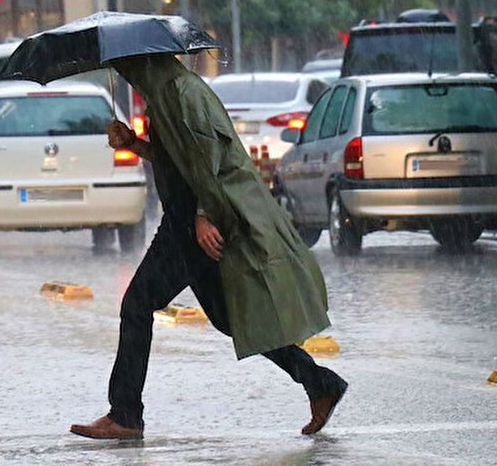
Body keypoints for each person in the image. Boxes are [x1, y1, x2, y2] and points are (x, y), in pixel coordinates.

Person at [70, 55, 347, 440]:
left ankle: (126, 414)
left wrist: (204, 214)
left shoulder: (183, 94)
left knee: (136, 304)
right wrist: (134, 144)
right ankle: (319, 383)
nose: (126, 78)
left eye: (128, 70)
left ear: (145, 64)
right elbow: (177, 160)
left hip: (190, 225)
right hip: (185, 221)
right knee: (230, 318)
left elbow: (209, 159)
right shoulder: (166, 95)